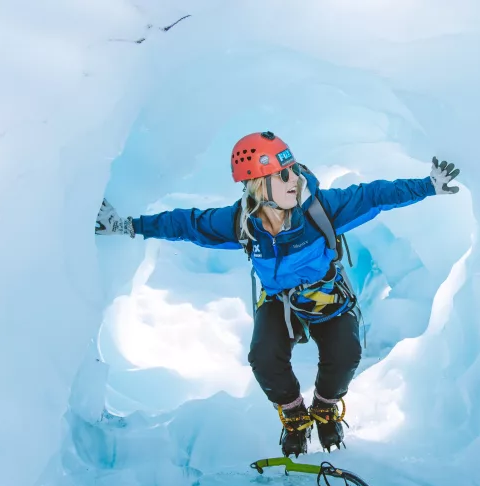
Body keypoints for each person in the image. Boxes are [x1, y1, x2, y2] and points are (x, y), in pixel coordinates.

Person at [95, 131, 461, 456]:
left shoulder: (321, 209)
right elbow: (186, 224)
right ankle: (295, 418)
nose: (293, 179)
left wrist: (427, 185)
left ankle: (325, 409)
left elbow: (374, 196)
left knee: (345, 354)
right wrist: (127, 226)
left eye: (294, 170)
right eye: (282, 174)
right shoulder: (242, 222)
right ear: (258, 186)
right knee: (264, 358)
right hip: (280, 302)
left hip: (327, 296)